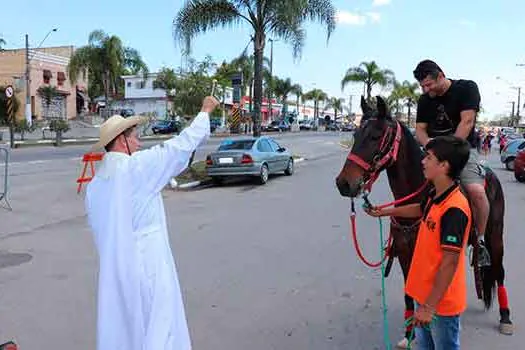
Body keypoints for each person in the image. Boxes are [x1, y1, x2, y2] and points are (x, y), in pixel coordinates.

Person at [85, 96, 220, 350]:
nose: (139, 142)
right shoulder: (135, 168)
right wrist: (204, 112)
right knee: (159, 327)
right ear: (121, 140)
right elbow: (178, 147)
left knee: (125, 331)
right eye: (134, 137)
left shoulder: (94, 187)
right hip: (148, 265)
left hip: (115, 271)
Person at [366, 135, 472, 349]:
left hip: (440, 305)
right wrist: (385, 212)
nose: (422, 161)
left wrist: (430, 307)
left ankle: (481, 243)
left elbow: (449, 262)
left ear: (444, 165)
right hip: (422, 295)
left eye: (429, 157)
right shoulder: (436, 194)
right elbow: (420, 209)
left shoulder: (455, 209)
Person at [412, 59, 490, 266]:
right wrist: (430, 145)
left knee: (476, 192)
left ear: (440, 75)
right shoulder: (425, 100)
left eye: (429, 84)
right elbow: (420, 129)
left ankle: (480, 241)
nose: (426, 90)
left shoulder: (466, 88)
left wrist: (449, 151)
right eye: (422, 86)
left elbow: (467, 121)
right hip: (433, 152)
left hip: (463, 150)